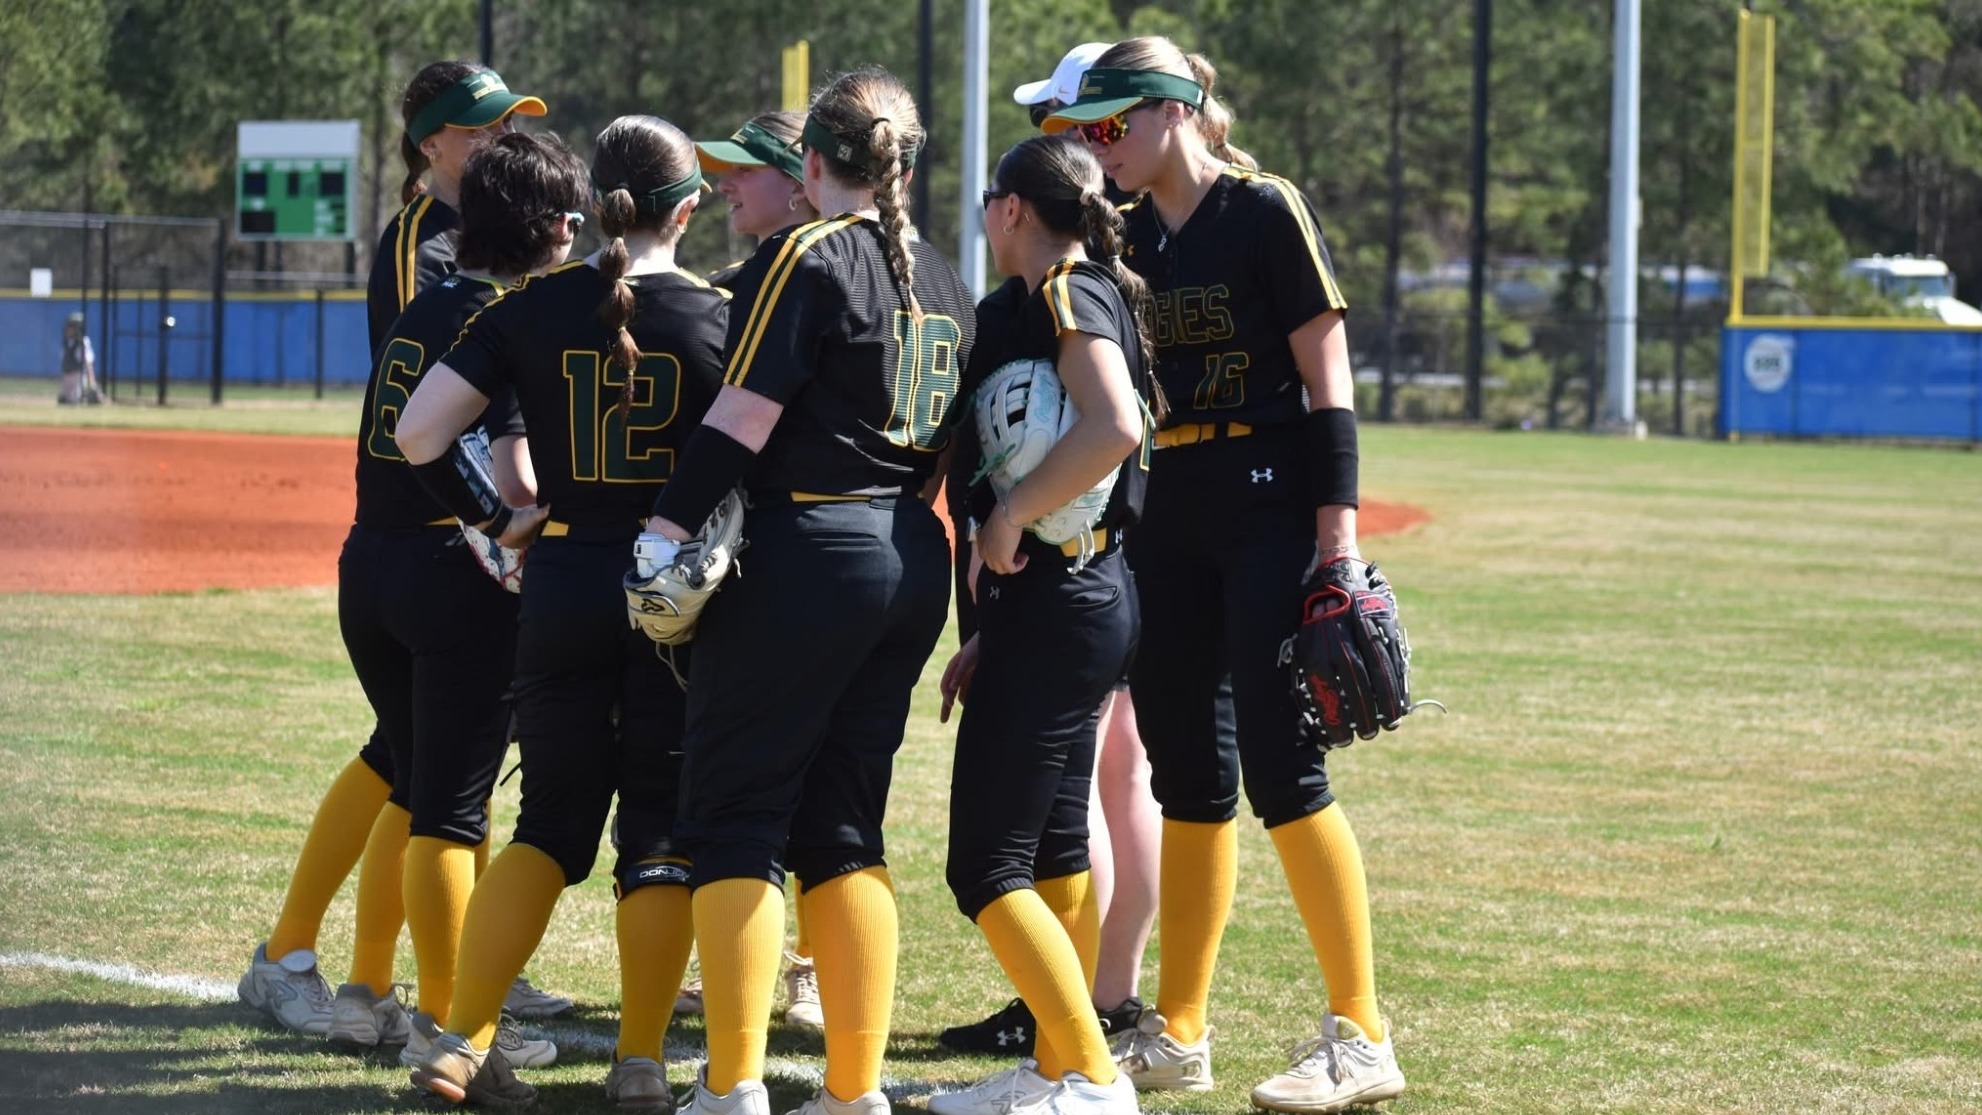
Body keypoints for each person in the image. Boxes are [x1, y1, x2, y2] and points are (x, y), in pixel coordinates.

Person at [1044, 36, 1408, 1113]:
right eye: (1089, 129)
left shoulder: (1262, 209)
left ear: (1172, 111)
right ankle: (1181, 1031)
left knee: (1281, 765)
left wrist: (1334, 540)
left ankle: (1360, 1030)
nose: (1096, 144)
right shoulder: (1122, 232)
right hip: (1172, 502)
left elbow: (1328, 382)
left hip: (1264, 496)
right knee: (1184, 776)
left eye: (1112, 124)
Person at [639, 65, 974, 1115]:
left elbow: (740, 419)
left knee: (735, 819)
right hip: (908, 554)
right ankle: (851, 1089)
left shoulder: (809, 250)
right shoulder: (952, 275)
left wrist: (659, 532)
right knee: (844, 829)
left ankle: (733, 1083)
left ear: (814, 163)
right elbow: (940, 454)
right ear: (906, 165)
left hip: (807, 551)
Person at [397, 113, 728, 1111]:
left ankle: (459, 1040)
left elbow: (419, 433)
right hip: (672, 595)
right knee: (661, 835)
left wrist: (500, 521)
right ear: (688, 206)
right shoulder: (722, 313)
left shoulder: (532, 306)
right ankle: (638, 1062)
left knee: (543, 826)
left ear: (594, 202)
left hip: (566, 575)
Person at [237, 58, 562, 1039]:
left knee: (416, 767)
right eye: (485, 127)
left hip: (419, 538)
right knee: (423, 774)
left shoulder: (457, 237)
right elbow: (440, 413)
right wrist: (500, 521)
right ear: (433, 145)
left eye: (512, 124)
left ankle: (380, 972)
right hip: (439, 538)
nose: (504, 138)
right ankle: (355, 968)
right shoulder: (436, 244)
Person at [321, 133, 586, 1081]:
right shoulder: (505, 319)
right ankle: (452, 1018)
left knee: (414, 780)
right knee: (451, 812)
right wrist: (519, 521)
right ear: (552, 226)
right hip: (449, 581)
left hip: (371, 569)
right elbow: (514, 476)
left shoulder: (426, 303)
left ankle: (364, 992)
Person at [939, 41, 1165, 1062]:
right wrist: (992, 628)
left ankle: (1079, 1064)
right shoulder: (1063, 295)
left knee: (985, 867)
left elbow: (1111, 424)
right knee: (1057, 845)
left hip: (1070, 597)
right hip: (1074, 600)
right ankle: (1056, 1063)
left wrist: (1002, 515)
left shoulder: (1071, 292)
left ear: (1011, 212)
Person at [671, 109, 826, 1032]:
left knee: (779, 778)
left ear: (801, 179)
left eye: (744, 170)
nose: (726, 183)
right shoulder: (740, 281)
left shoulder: (812, 271)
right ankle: (744, 959)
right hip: (754, 554)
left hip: (789, 556)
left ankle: (802, 965)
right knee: (758, 775)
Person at [57, 312, 103, 405]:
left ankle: (88, 397)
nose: (68, 329)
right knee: (63, 399)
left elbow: (88, 363)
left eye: (71, 327)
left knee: (74, 400)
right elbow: (64, 360)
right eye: (68, 327)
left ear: (77, 329)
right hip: (67, 374)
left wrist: (92, 381)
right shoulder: (67, 342)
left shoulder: (83, 342)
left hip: (78, 375)